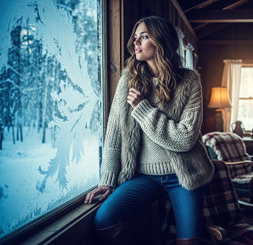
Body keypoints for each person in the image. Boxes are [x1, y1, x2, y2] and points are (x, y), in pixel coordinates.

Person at [84, 15, 214, 245]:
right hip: (143, 175)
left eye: (143, 37)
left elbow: (184, 138)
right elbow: (114, 133)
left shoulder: (189, 80)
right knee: (104, 220)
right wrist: (107, 180)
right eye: (135, 38)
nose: (136, 43)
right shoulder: (129, 80)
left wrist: (143, 109)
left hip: (184, 173)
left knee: (189, 242)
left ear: (161, 41)